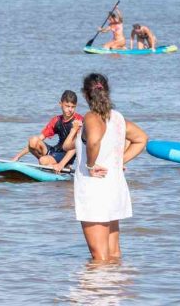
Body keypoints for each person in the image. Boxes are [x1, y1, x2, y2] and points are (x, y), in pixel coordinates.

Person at [61, 73, 148, 262]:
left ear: (85, 94)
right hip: (114, 187)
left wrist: (90, 165)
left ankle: (98, 291)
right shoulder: (117, 117)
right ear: (106, 91)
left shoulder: (91, 117)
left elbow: (93, 141)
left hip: (95, 189)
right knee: (113, 253)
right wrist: (119, 161)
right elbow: (141, 139)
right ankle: (113, 290)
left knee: (99, 258)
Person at [12, 90, 83, 173]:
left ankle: (59, 166)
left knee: (43, 160)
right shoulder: (56, 120)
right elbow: (39, 138)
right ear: (60, 104)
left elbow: (75, 147)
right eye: (67, 106)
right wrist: (17, 157)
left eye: (73, 107)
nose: (70, 109)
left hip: (67, 155)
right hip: (56, 151)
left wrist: (61, 165)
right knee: (33, 140)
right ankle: (49, 165)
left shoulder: (78, 121)